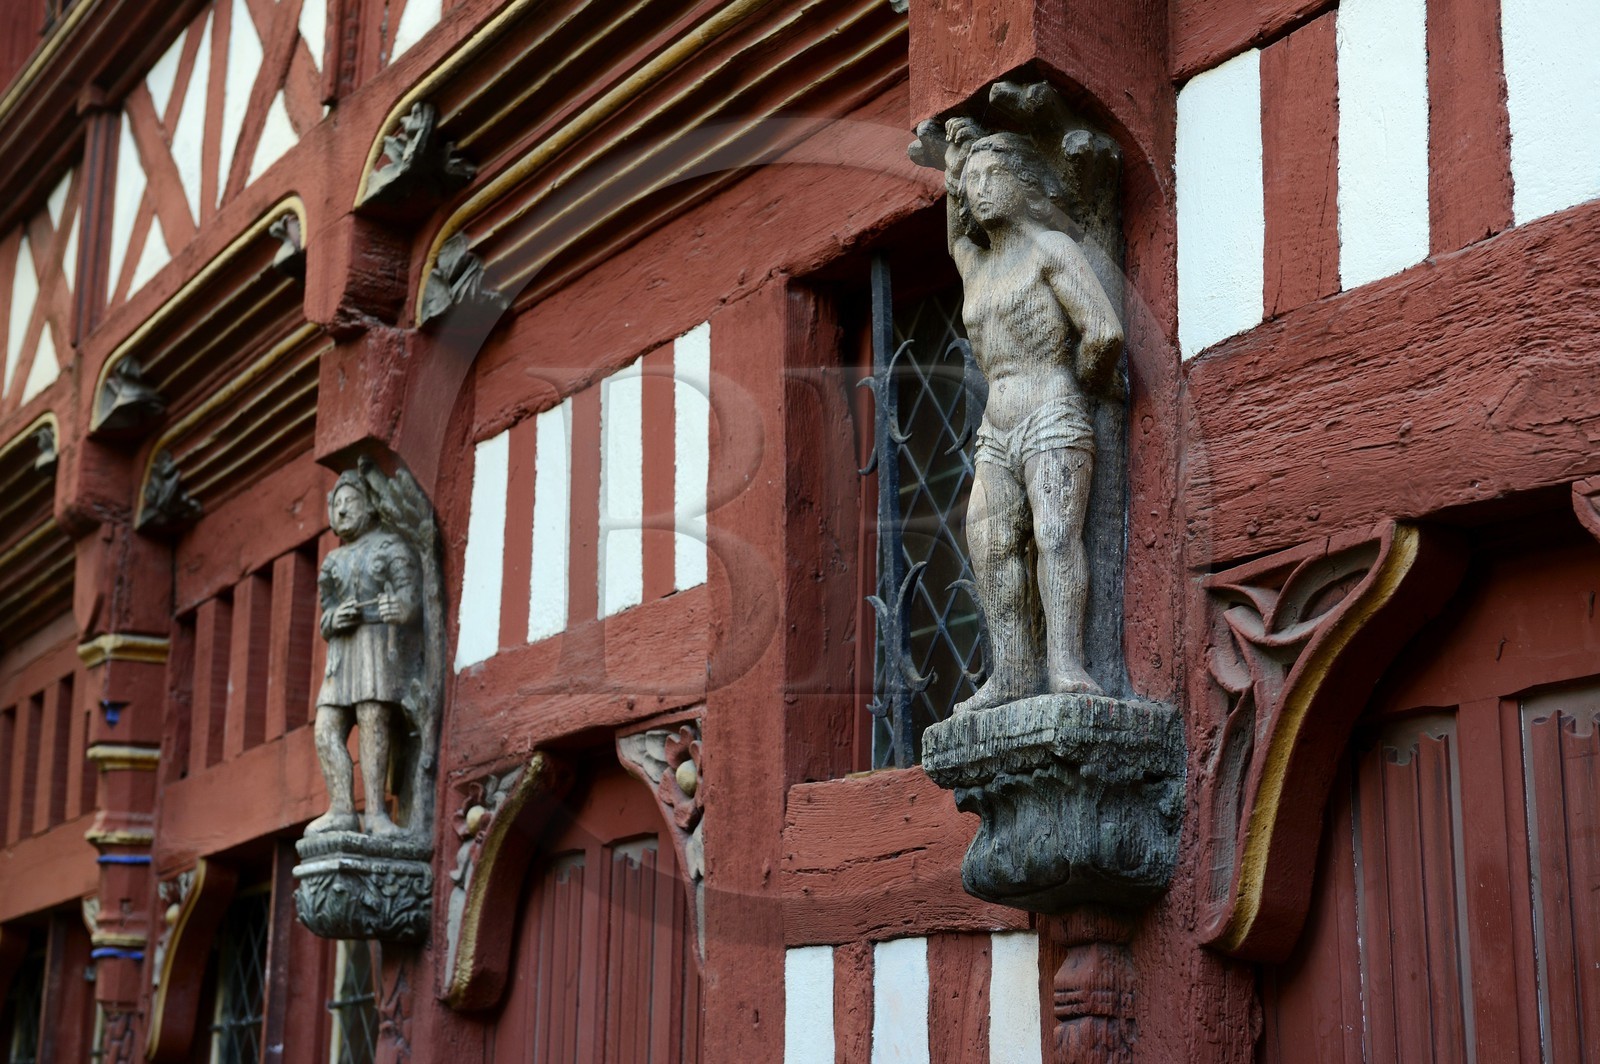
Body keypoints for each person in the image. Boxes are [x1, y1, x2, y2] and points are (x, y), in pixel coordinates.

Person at [942, 119, 1124, 711]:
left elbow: (1103, 330)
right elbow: (952, 234)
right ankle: (1012, 674)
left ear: (1023, 182)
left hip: (1052, 409)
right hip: (996, 428)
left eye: (992, 175)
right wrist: (954, 162)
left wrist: (1091, 381)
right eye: (971, 184)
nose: (978, 190)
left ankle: (1065, 663)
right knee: (992, 546)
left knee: (1053, 535)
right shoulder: (974, 265)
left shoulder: (1052, 249)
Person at [306, 471, 422, 836]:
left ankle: (375, 813)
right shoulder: (332, 562)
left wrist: (400, 608)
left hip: (375, 647)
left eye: (350, 501)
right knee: (326, 728)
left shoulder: (390, 547)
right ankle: (341, 808)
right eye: (337, 504)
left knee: (373, 721)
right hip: (342, 654)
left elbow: (410, 597)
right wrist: (333, 619)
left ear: (370, 504)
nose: (342, 510)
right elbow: (327, 610)